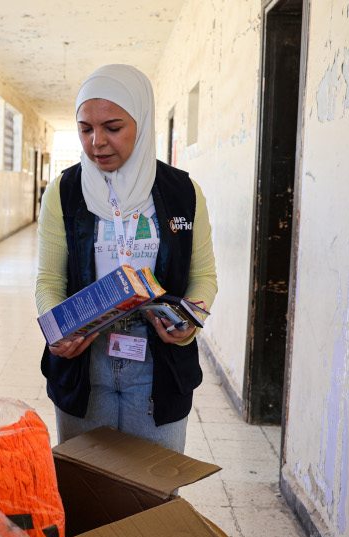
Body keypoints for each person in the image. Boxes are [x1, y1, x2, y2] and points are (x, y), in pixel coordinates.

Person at [36, 64, 217, 453]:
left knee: (154, 491)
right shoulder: (64, 192)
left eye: (113, 128)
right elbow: (48, 282)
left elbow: (204, 276)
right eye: (86, 129)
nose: (97, 142)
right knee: (87, 490)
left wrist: (190, 323)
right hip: (86, 361)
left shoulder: (183, 193)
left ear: (143, 121)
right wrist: (58, 331)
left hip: (160, 363)